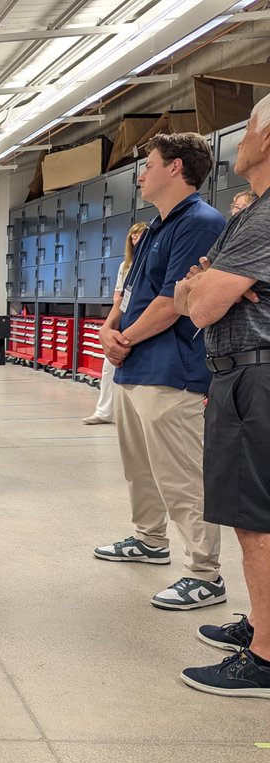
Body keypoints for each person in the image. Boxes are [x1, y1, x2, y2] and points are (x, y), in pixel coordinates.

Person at [93, 132, 227, 610]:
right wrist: (110, 329)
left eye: (148, 164)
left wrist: (123, 340)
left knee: (182, 474)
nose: (141, 174)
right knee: (141, 469)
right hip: (135, 366)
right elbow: (128, 292)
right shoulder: (153, 226)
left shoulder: (201, 223)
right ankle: (150, 539)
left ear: (175, 168)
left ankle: (204, 573)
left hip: (172, 369)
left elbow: (173, 303)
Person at [173, 98, 270, 697]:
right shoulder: (250, 214)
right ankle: (263, 623)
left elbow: (200, 305)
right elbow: (199, 291)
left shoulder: (262, 219)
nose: (238, 143)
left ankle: (265, 657)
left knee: (255, 521)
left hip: (255, 377)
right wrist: (204, 286)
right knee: (252, 517)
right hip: (242, 373)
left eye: (250, 130)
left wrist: (205, 287)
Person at [84, 222, 149, 425]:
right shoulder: (125, 266)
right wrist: (110, 324)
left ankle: (135, 415)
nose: (136, 239)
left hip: (145, 320)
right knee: (108, 365)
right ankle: (104, 411)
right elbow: (118, 294)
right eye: (133, 236)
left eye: (139, 235)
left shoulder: (151, 261)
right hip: (124, 318)